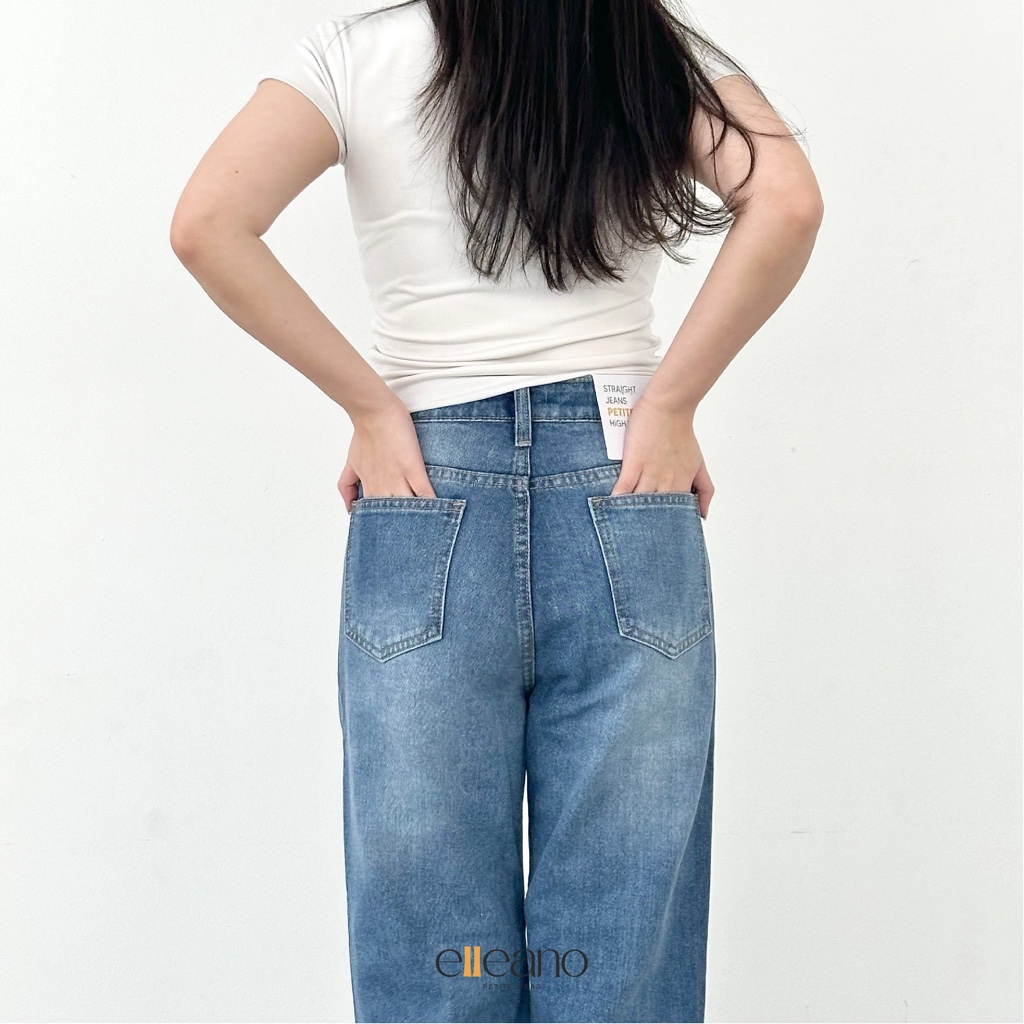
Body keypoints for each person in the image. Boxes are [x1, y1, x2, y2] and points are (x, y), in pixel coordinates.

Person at [170, 1, 823, 1020]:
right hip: (625, 475)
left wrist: (369, 406)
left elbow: (207, 222)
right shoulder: (644, 43)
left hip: (425, 484)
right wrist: (671, 404)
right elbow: (785, 198)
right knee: (620, 921)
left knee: (431, 925)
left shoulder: (355, 55)